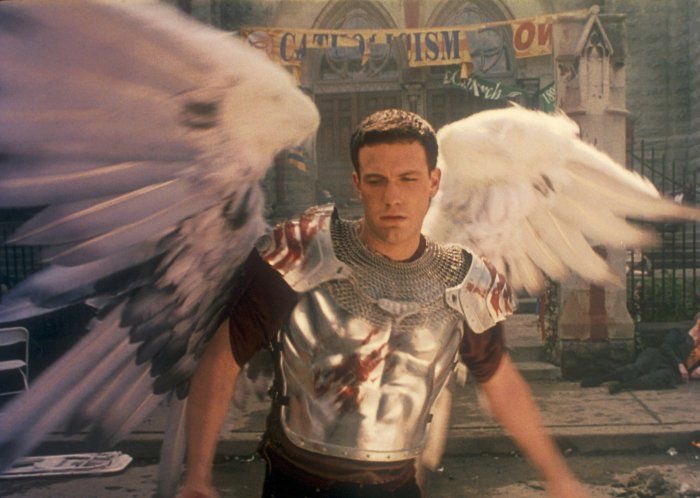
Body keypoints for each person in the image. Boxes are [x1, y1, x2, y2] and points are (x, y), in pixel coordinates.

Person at [178, 109, 587, 498]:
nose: (393, 197)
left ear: (433, 182)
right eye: (377, 181)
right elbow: (223, 357)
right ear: (357, 184)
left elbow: (501, 383)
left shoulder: (465, 280)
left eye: (408, 179)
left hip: (398, 485)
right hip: (297, 483)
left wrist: (557, 476)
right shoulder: (302, 253)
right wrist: (197, 474)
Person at [581, 313, 700, 394]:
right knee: (634, 368)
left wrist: (693, 372)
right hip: (659, 357)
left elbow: (694, 371)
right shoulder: (679, 333)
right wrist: (679, 364)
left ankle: (623, 386)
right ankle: (601, 379)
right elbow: (666, 347)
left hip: (672, 371)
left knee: (654, 378)